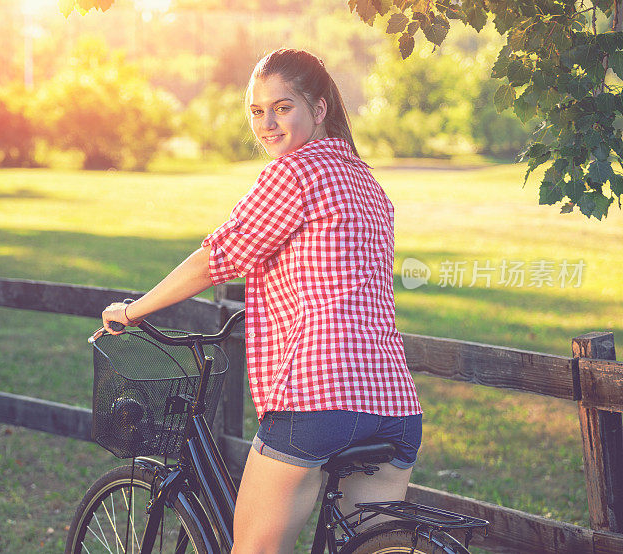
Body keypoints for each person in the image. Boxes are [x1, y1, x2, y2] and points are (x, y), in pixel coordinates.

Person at [100, 48, 423, 554]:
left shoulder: (294, 173)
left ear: (319, 108)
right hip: (394, 405)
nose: (267, 123)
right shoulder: (368, 182)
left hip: (317, 397)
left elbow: (217, 258)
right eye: (256, 111)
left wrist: (135, 309)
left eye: (282, 107)